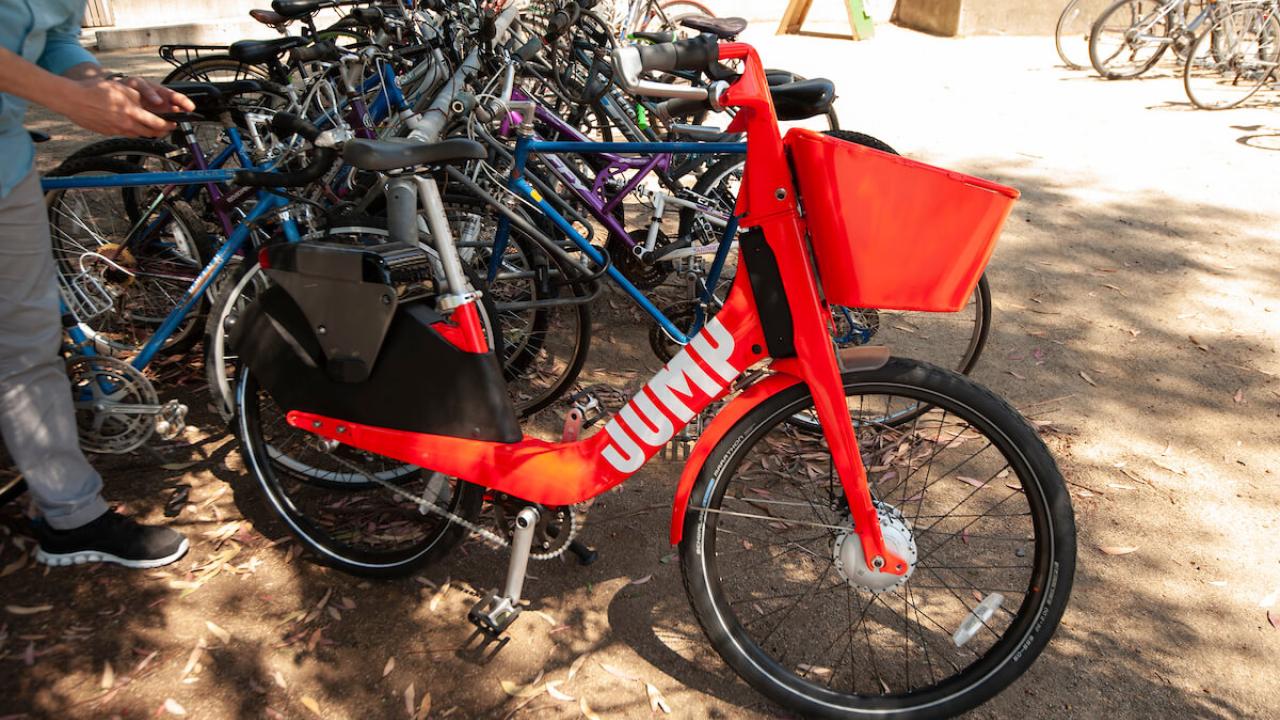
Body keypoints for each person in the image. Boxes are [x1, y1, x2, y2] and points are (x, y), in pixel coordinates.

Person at [0, 0, 195, 568]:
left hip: (6, 166)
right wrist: (70, 100)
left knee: (28, 344)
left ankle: (68, 515)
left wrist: (105, 84)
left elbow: (55, 36)